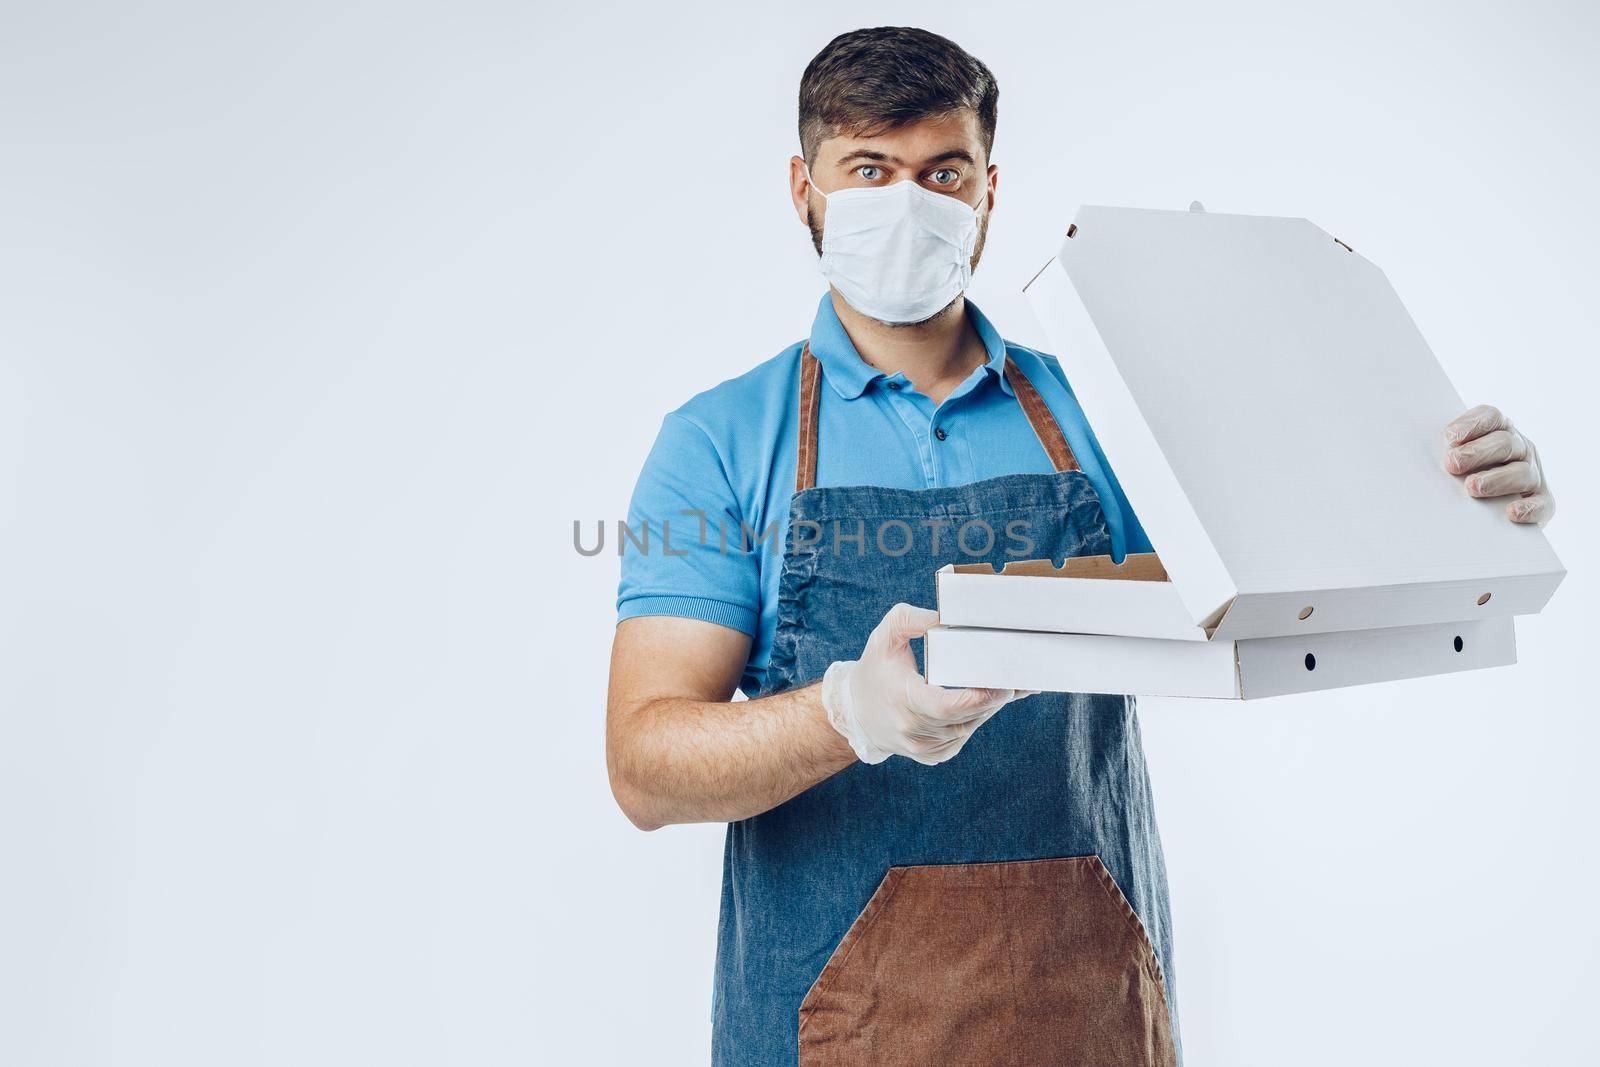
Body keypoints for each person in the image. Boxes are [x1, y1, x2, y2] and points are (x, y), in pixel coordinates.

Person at [605, 26, 1558, 1066]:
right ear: (804, 188)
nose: (906, 204)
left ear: (988, 192)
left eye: (942, 173)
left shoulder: (1110, 410)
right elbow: (646, 766)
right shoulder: (716, 442)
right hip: (828, 1024)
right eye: (869, 171)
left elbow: (1301, 566)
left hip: (1084, 1000)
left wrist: (1456, 489)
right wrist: (847, 711)